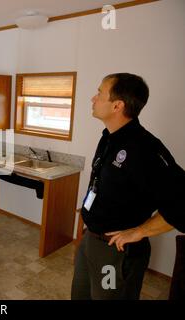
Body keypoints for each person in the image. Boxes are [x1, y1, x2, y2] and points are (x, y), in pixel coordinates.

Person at [71, 73, 185, 300]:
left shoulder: (145, 149)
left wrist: (140, 231)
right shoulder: (109, 138)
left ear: (117, 105)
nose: (93, 98)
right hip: (90, 241)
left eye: (100, 93)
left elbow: (183, 202)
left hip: (116, 253)